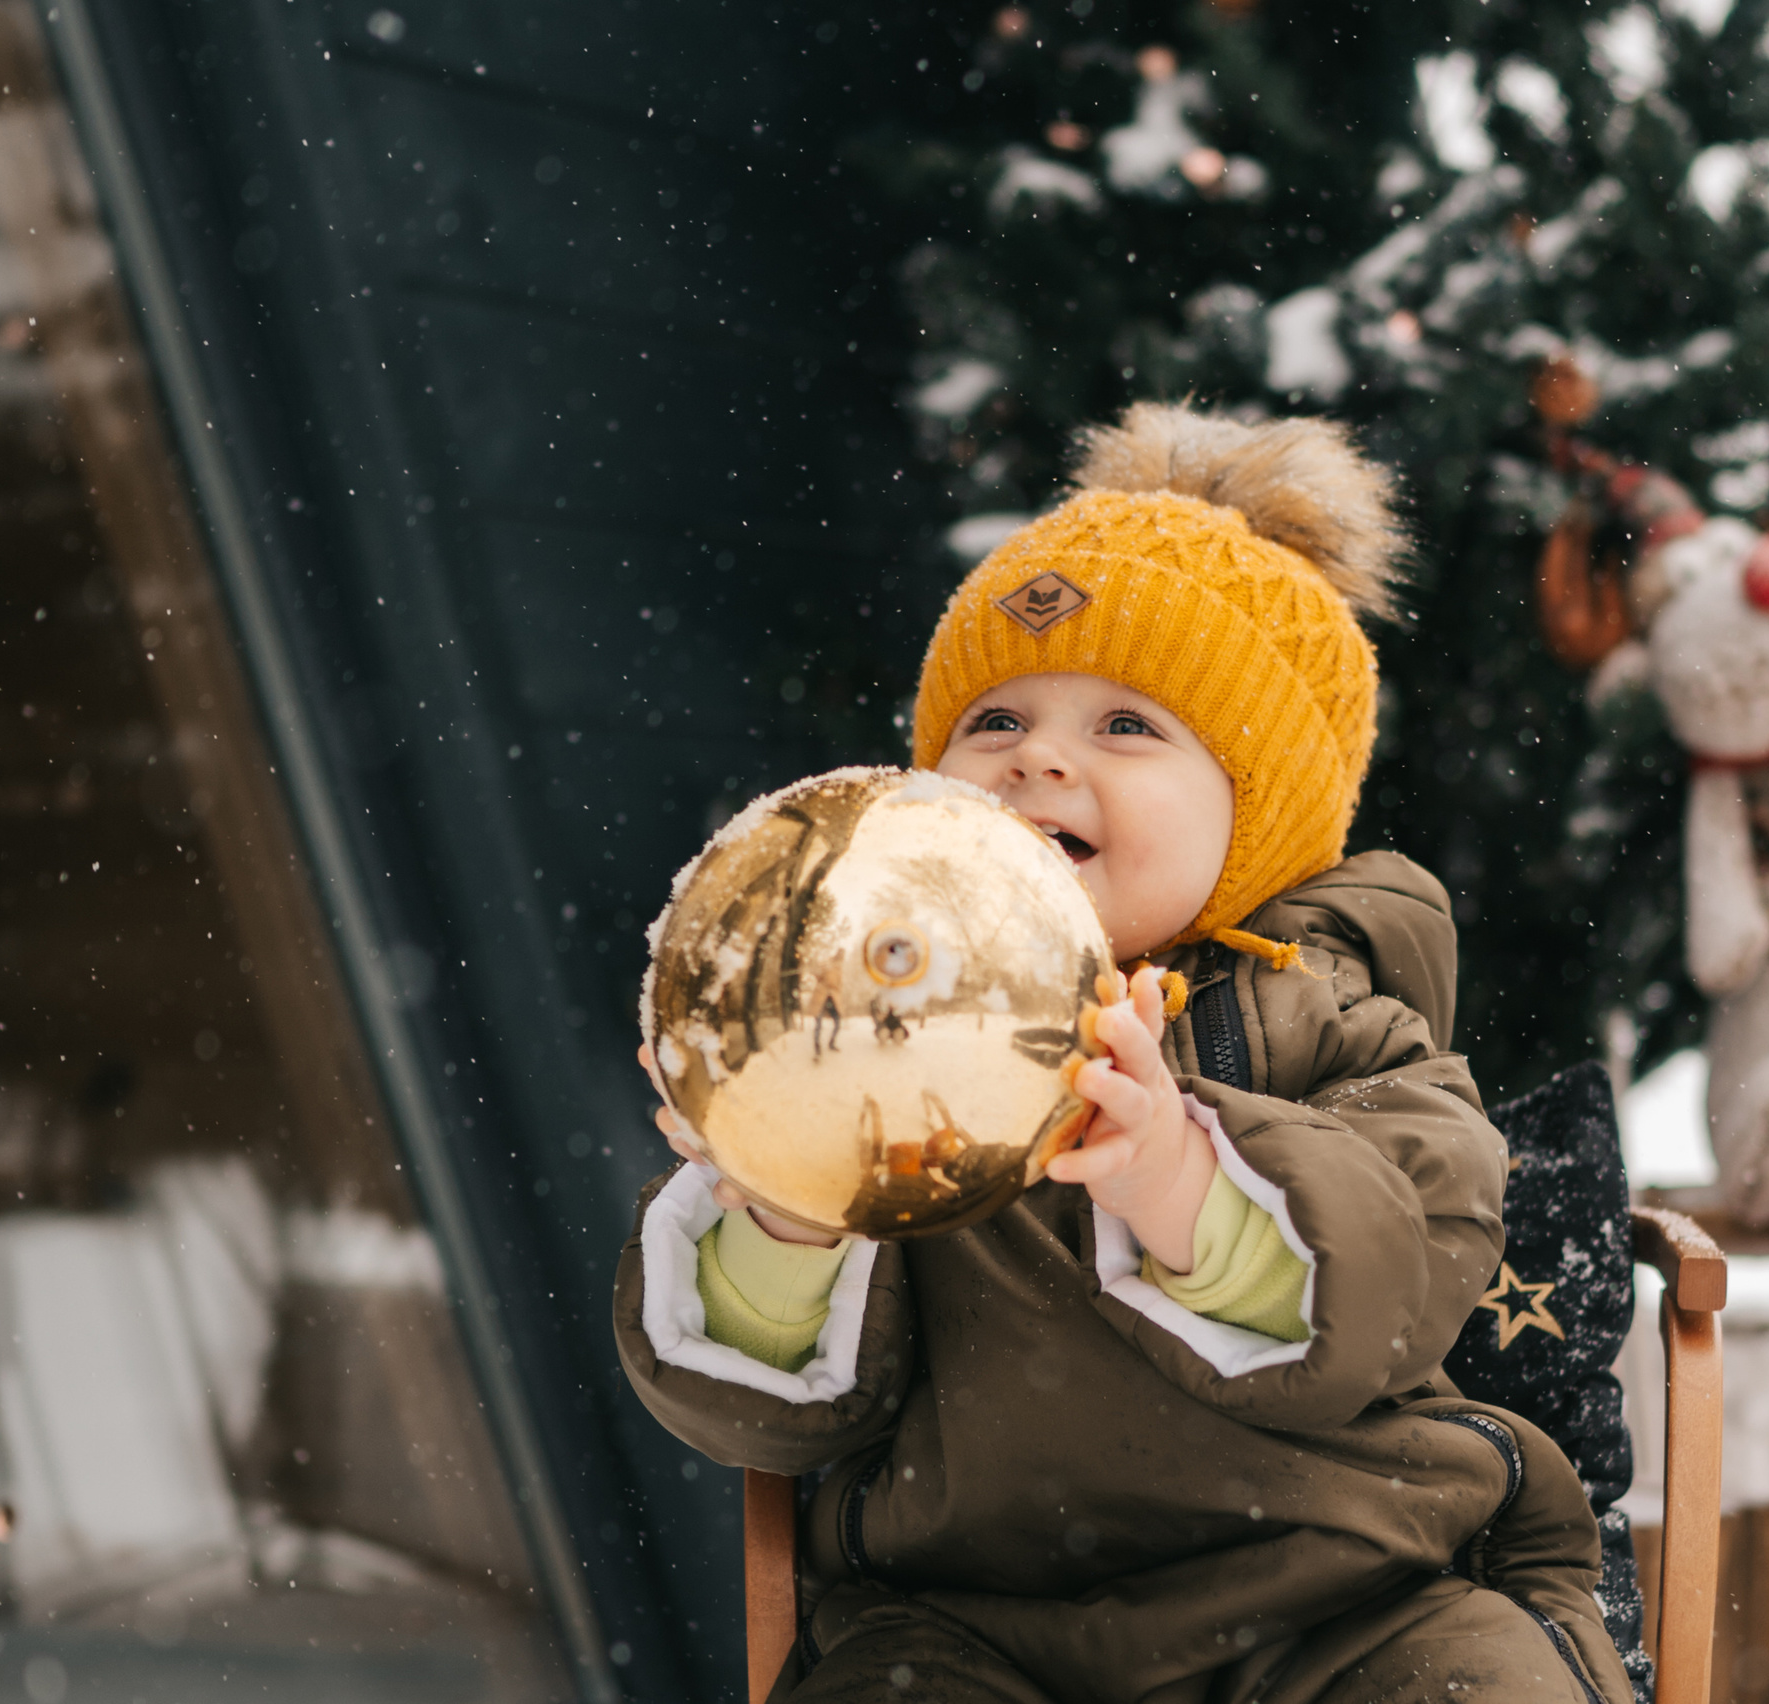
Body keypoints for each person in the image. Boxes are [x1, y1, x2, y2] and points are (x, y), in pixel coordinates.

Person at [615, 403, 1630, 1704]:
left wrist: (1182, 1182)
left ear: (1257, 818)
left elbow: (1404, 1259)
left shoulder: (1335, 1025)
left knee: (1470, 1683)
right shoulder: (866, 1046)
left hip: (1346, 1591)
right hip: (976, 1619)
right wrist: (783, 1215)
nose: (1037, 754)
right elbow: (778, 1417)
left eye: (1126, 727)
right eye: (992, 722)